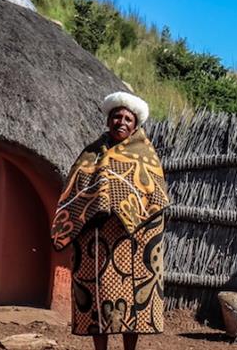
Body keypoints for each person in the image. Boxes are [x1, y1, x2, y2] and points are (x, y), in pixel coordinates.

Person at [51, 91, 170, 350]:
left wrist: (128, 212)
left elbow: (156, 195)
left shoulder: (145, 155)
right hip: (97, 240)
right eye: (117, 117)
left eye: (128, 119)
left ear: (135, 125)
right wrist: (95, 207)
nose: (122, 123)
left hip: (133, 242)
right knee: (97, 297)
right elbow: (75, 189)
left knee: (132, 300)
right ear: (108, 121)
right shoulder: (90, 154)